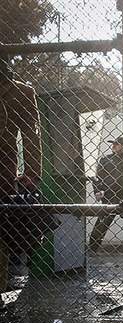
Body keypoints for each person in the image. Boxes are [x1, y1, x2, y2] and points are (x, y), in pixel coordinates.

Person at [0, 56, 42, 309]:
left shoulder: (21, 92)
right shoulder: (19, 91)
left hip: (3, 169)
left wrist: (32, 173)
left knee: (2, 230)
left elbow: (31, 133)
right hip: (6, 169)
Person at [88, 136, 123, 253]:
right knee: (102, 224)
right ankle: (92, 248)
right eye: (113, 144)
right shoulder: (105, 160)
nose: (114, 146)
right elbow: (96, 177)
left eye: (117, 144)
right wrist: (97, 190)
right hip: (109, 195)